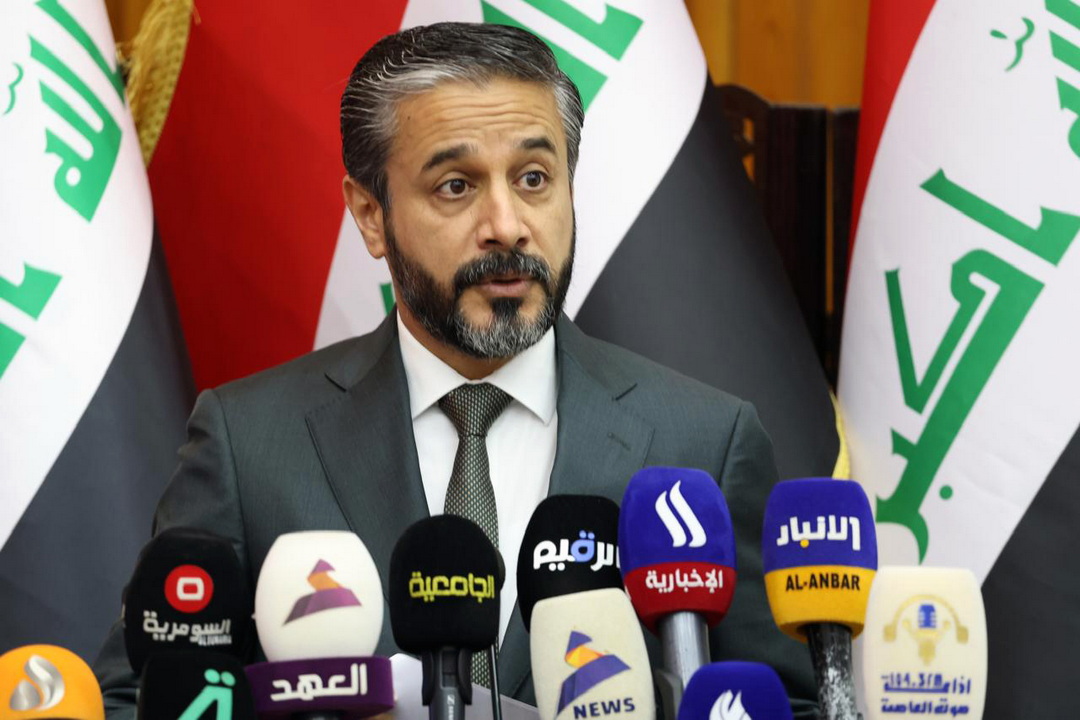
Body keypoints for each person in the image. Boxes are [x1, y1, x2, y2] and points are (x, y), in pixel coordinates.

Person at [93, 22, 817, 717]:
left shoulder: (704, 442)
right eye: (456, 186)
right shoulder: (249, 444)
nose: (507, 225)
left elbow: (784, 705)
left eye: (533, 177)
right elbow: (139, 697)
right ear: (370, 215)